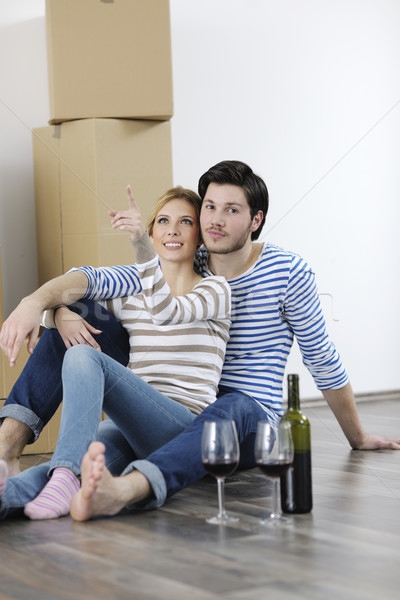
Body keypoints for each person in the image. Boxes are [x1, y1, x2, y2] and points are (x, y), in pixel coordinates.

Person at [1, 161, 399, 519]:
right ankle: (8, 460)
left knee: (233, 404)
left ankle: (131, 488)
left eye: (232, 210)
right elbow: (92, 280)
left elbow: (321, 356)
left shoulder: (284, 271)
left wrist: (358, 436)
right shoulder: (189, 257)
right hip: (170, 408)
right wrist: (48, 307)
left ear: (255, 220)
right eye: (209, 207)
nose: (216, 220)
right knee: (79, 334)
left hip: (246, 418)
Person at [0, 186, 231, 519]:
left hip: (181, 427)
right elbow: (74, 297)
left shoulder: (215, 289)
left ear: (199, 237)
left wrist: (139, 246)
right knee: (51, 471)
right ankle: (13, 496)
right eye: (163, 221)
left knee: (82, 355)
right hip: (131, 425)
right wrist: (61, 314)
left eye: (186, 222)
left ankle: (67, 474)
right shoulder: (132, 297)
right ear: (154, 233)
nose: (173, 230)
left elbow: (167, 310)